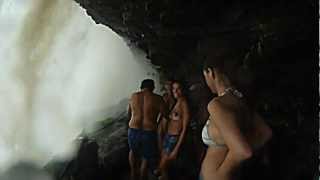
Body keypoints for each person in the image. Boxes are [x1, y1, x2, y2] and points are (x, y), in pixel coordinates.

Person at [199, 40, 273, 180]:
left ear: (210, 72)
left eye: (205, 77)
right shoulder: (241, 100)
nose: (207, 83)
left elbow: (243, 152)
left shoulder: (216, 105)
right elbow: (265, 133)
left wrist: (220, 174)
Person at [128, 79, 167, 180]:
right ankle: (142, 176)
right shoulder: (157, 98)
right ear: (153, 87)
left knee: (133, 151)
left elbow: (129, 113)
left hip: (133, 129)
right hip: (148, 131)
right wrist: (158, 123)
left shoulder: (133, 96)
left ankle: (132, 173)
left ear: (141, 87)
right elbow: (165, 113)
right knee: (145, 156)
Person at [157, 80, 190, 180]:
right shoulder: (177, 102)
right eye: (174, 89)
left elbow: (185, 127)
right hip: (168, 137)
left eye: (178, 89)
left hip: (174, 139)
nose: (175, 91)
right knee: (163, 168)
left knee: (162, 166)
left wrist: (176, 149)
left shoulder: (184, 103)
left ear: (183, 90)